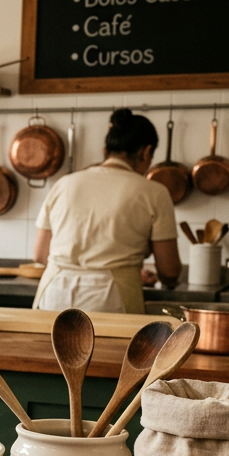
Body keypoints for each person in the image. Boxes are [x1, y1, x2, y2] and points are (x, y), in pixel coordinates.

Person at [31, 108, 181, 313]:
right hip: (111, 300)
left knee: (50, 337)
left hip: (54, 296)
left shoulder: (64, 184)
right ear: (146, 152)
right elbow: (169, 272)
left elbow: (40, 255)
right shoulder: (154, 192)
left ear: (106, 149)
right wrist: (128, 268)